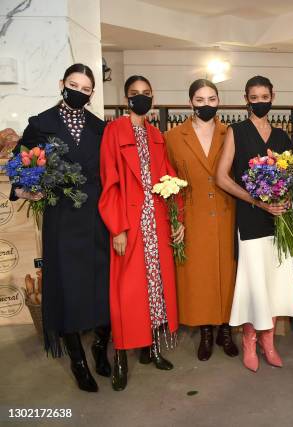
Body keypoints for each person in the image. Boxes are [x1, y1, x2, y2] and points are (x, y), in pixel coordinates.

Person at [11, 63, 110, 392]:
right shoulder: (42, 123)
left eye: (85, 88)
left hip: (98, 219)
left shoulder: (100, 127)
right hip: (62, 218)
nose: (78, 91)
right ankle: (78, 361)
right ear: (61, 84)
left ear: (92, 93)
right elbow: (19, 162)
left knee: (99, 287)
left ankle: (99, 347)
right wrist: (28, 186)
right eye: (73, 85)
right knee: (67, 289)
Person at [99, 75, 184, 391]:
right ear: (125, 99)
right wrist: (117, 227)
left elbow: (169, 179)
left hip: (156, 221)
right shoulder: (114, 131)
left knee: (155, 288)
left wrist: (177, 218)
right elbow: (110, 182)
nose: (141, 98)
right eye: (135, 94)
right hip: (129, 223)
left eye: (147, 94)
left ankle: (152, 349)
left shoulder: (155, 134)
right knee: (126, 293)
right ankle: (121, 358)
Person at [216, 75, 293, 372]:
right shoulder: (236, 131)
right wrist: (256, 201)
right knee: (255, 284)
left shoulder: (282, 136)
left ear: (273, 96)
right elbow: (221, 177)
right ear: (246, 99)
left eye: (265, 96)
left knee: (275, 284)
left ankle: (269, 342)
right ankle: (250, 341)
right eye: (254, 97)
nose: (260, 101)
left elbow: (291, 178)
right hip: (251, 219)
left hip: (280, 221)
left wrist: (287, 198)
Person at [165, 79, 238, 361]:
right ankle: (206, 332)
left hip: (227, 212)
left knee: (227, 273)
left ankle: (226, 330)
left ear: (219, 101)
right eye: (200, 99)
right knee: (200, 276)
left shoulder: (230, 133)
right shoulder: (173, 137)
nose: (206, 104)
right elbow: (168, 182)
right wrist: (176, 219)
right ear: (190, 103)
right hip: (193, 216)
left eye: (211, 99)